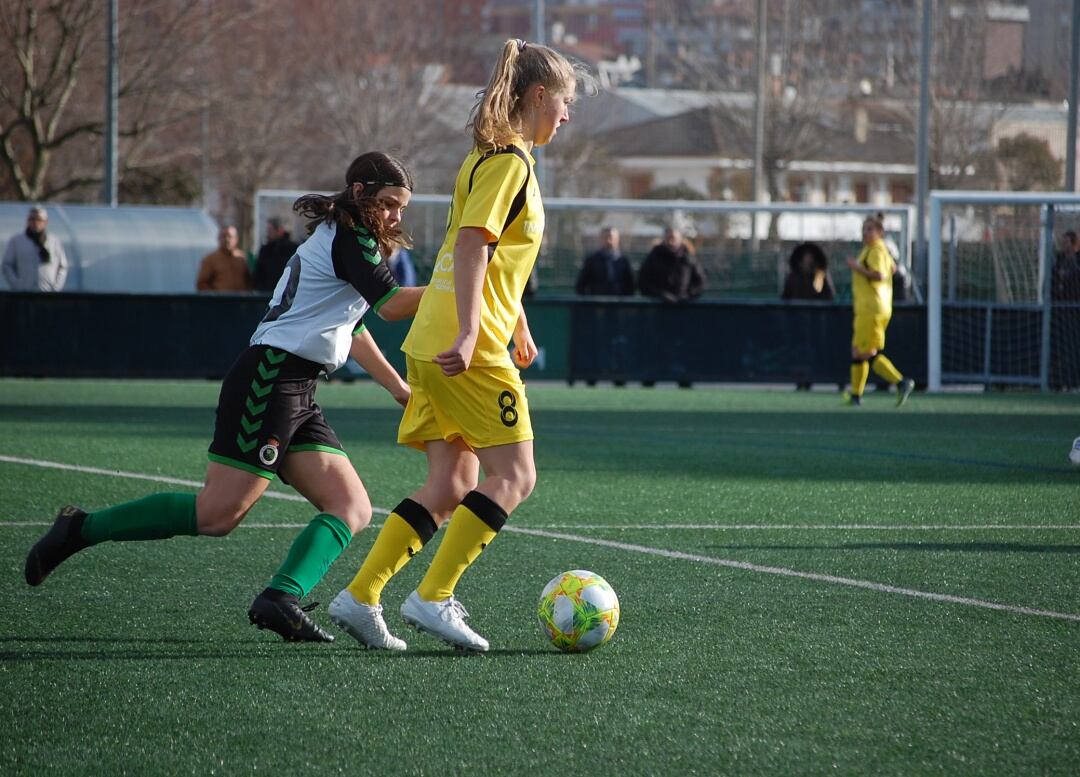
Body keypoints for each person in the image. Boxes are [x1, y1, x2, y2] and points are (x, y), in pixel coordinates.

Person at [24, 152, 426, 643]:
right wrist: (467, 282)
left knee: (351, 507)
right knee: (218, 514)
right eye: (387, 204)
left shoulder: (347, 236)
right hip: (271, 377)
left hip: (296, 385)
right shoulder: (351, 236)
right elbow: (392, 308)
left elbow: (353, 323)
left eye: (400, 208)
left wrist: (398, 388)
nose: (394, 217)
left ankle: (281, 597)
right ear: (360, 192)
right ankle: (79, 528)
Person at [327, 38, 580, 653]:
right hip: (464, 343)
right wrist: (474, 333)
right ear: (539, 96)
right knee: (515, 476)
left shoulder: (485, 158)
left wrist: (514, 321)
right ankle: (432, 597)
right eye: (564, 102)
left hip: (433, 338)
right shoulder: (510, 163)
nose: (567, 117)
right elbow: (471, 246)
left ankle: (361, 597)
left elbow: (491, 258)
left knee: (451, 481)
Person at [843, 212, 914, 407]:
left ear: (880, 232)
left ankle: (901, 382)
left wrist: (856, 267)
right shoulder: (875, 250)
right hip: (869, 307)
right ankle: (856, 396)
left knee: (866, 352)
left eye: (869, 229)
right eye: (863, 230)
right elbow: (891, 269)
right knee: (858, 351)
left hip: (872, 308)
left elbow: (880, 275)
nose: (865, 233)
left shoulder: (876, 250)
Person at [2, 206, 69, 291]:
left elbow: (62, 266)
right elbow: (7, 265)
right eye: (32, 219)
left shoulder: (54, 241)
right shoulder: (17, 241)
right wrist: (17, 285)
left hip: (48, 293)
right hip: (24, 293)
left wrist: (56, 287)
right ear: (27, 221)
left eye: (39, 219)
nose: (35, 222)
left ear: (45, 222)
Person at [637, 226, 705, 303]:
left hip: (684, 308)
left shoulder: (688, 257)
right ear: (664, 239)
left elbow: (700, 282)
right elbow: (643, 282)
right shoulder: (654, 257)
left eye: (674, 238)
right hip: (659, 307)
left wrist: (687, 295)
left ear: (680, 239)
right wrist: (661, 294)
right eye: (668, 238)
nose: (671, 242)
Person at [576, 226, 634, 296]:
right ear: (600, 239)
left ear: (617, 239)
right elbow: (581, 284)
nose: (609, 241)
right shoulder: (592, 260)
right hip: (597, 302)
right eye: (605, 238)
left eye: (612, 238)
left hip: (618, 303)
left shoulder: (624, 260)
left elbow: (630, 285)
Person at [196, 225, 252, 292]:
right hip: (220, 301)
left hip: (240, 300)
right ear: (218, 239)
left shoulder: (242, 258)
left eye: (230, 236)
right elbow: (202, 284)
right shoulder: (210, 259)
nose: (227, 240)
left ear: (236, 239)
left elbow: (249, 281)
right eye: (223, 236)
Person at [252, 217, 299, 292]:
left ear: (279, 231)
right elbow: (258, 274)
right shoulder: (265, 250)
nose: (268, 233)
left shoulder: (292, 248)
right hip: (266, 295)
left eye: (270, 230)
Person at [1052, 230, 1080, 302]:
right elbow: (1054, 274)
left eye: (1066, 242)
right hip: (1058, 299)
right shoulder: (1059, 259)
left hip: (1073, 299)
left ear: (1073, 244)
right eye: (1062, 242)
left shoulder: (1077, 260)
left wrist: (1067, 274)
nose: (1063, 244)